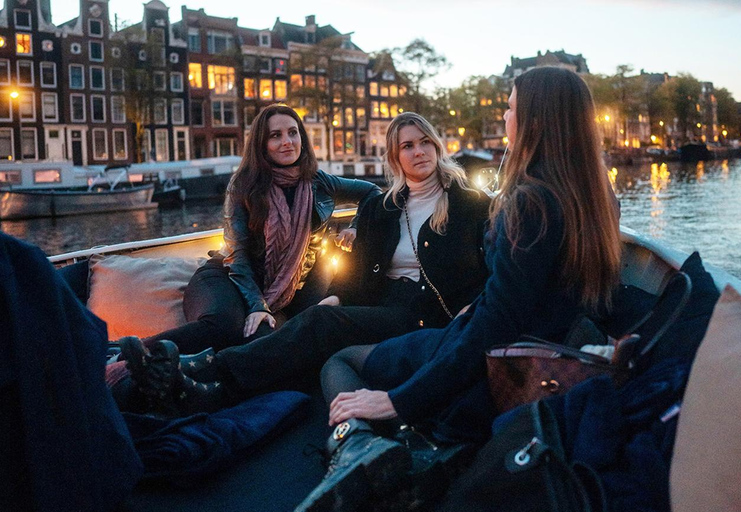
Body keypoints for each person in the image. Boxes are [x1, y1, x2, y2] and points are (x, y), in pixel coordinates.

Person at [296, 67, 624, 511]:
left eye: (510, 108)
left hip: (495, 358)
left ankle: (356, 448)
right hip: (545, 349)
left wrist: (398, 402)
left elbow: (496, 324)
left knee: (340, 360)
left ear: (534, 120)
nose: (504, 116)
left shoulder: (530, 202)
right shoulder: (598, 195)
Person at [118, 112, 492, 417]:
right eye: (407, 146)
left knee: (316, 322)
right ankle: (187, 377)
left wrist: (472, 307)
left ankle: (202, 376)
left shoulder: (472, 204)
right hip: (370, 301)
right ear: (395, 158)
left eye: (425, 142)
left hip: (430, 314)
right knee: (305, 318)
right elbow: (358, 272)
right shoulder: (384, 208)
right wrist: (334, 297)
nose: (418, 152)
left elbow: (491, 269)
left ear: (438, 147)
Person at [118, 104, 380, 357]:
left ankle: (197, 372)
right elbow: (237, 253)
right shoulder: (244, 184)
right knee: (226, 326)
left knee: (275, 339)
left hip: (288, 286)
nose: (287, 141)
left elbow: (371, 192)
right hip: (230, 276)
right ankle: (129, 354)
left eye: (292, 132)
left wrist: (356, 228)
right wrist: (257, 305)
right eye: (275, 136)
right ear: (261, 144)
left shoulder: (320, 183)